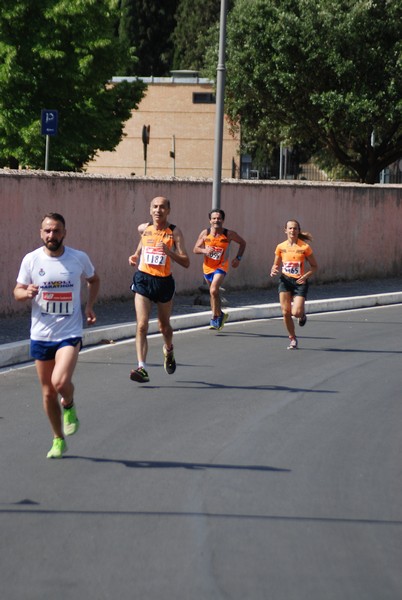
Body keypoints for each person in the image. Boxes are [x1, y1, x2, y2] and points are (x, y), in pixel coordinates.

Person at [14, 212, 100, 458]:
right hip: (41, 334)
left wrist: (90, 306)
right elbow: (17, 291)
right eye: (47, 231)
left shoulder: (78, 258)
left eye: (57, 231)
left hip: (69, 332)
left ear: (65, 232)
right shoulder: (31, 260)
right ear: (41, 233)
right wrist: (26, 293)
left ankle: (69, 405)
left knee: (60, 382)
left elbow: (94, 280)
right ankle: (58, 438)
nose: (52, 235)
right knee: (48, 392)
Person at [128, 196, 190, 383]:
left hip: (163, 282)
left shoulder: (174, 232)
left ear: (168, 210)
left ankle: (168, 349)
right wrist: (136, 254)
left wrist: (169, 252)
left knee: (164, 326)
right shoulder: (145, 228)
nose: (158, 210)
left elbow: (186, 262)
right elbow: (143, 240)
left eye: (162, 207)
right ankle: (142, 367)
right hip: (143, 279)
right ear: (150, 210)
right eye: (155, 207)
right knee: (142, 324)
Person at [193, 208, 246, 330]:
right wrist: (204, 250)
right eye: (214, 218)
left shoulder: (228, 234)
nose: (216, 220)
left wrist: (238, 258)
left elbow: (243, 243)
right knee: (213, 294)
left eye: (219, 218)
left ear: (223, 220)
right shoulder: (205, 233)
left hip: (221, 266)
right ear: (210, 220)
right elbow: (195, 249)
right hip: (207, 267)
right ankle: (218, 314)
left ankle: (216, 318)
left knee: (213, 290)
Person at [270, 219, 317, 349]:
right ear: (285, 230)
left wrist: (305, 276)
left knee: (295, 312)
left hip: (299, 282)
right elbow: (276, 264)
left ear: (298, 231)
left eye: (295, 228)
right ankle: (292, 338)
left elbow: (314, 266)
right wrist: (273, 269)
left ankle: (302, 315)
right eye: (290, 228)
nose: (292, 231)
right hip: (285, 281)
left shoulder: (304, 247)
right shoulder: (281, 247)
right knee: (285, 312)